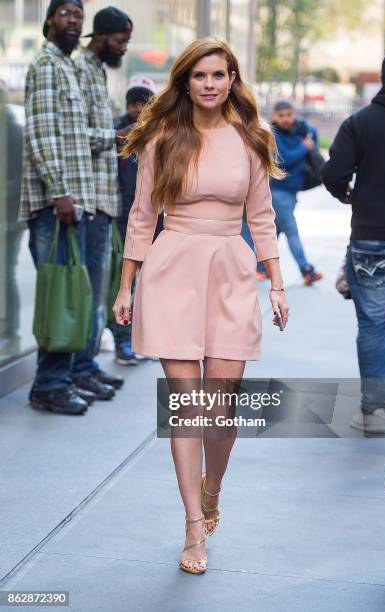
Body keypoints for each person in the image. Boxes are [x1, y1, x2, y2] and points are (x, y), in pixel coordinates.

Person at [113, 38, 289, 575]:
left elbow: (262, 217)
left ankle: (213, 490)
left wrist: (277, 283)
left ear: (232, 80)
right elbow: (143, 216)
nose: (210, 84)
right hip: (171, 271)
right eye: (199, 75)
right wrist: (127, 286)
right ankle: (194, 526)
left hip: (232, 271)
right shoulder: (163, 137)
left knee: (221, 401)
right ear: (185, 82)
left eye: (220, 74)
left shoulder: (252, 137)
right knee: (187, 406)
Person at [322, 50, 385, 435]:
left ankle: (373, 412)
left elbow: (334, 173)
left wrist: (349, 195)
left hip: (371, 237)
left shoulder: (360, 123)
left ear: (383, 79)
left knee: (373, 325)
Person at [19, 0, 97, 415]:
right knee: (59, 296)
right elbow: (42, 134)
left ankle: (58, 379)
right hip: (56, 205)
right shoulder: (47, 65)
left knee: (70, 295)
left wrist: (113, 134)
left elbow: (73, 132)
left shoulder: (66, 66)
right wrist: (61, 192)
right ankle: (48, 384)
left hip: (71, 203)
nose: (73, 21)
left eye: (79, 15)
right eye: (66, 13)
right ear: (50, 19)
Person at [72, 6, 133, 399]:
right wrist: (115, 136)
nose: (124, 47)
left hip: (103, 200)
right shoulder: (79, 69)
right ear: (101, 35)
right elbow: (74, 132)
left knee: (98, 293)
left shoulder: (97, 71)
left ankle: (87, 366)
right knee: (88, 293)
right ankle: (77, 370)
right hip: (86, 200)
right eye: (120, 40)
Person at [109, 77, 162, 365]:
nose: (138, 108)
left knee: (152, 282)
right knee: (125, 281)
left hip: (158, 218)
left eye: (145, 102)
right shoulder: (119, 130)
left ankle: (148, 340)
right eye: (134, 102)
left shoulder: (162, 130)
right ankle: (123, 342)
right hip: (124, 217)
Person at [270, 100, 323, 285]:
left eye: (289, 115)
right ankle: (306, 269)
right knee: (291, 230)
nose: (285, 119)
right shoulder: (273, 134)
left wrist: (309, 137)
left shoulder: (301, 129)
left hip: (292, 191)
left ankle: (259, 268)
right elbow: (283, 159)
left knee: (275, 229)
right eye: (281, 115)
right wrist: (304, 147)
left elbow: (313, 136)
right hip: (278, 190)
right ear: (274, 116)